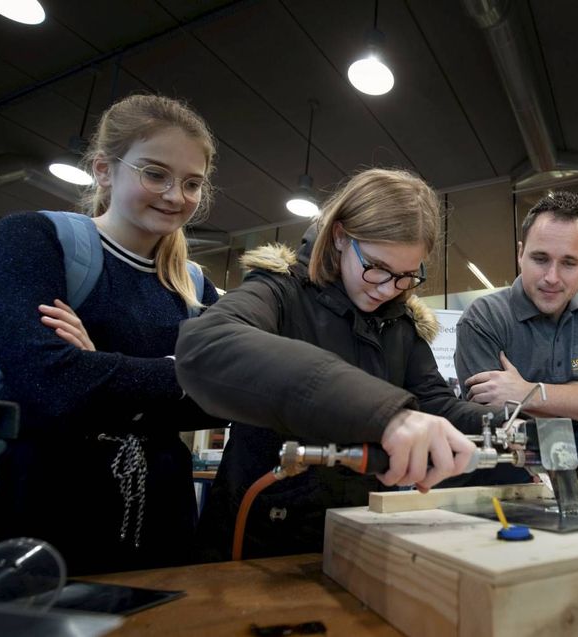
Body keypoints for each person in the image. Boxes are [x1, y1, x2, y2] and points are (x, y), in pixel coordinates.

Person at [175, 168, 496, 561]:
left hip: (356, 532)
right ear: (341, 236)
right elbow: (205, 345)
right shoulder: (279, 292)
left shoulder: (400, 325)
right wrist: (387, 415)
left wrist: (508, 427)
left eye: (406, 276)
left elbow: (438, 404)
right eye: (376, 266)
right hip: (258, 541)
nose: (386, 289)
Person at [0, 94, 223, 574]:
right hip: (39, 513)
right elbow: (50, 380)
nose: (175, 195)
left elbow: (231, 397)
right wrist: (182, 374)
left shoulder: (194, 285)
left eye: (192, 183)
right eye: (155, 174)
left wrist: (98, 367)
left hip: (161, 522)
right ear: (105, 169)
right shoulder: (32, 239)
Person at [454, 191, 578, 428]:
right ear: (520, 253)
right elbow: (495, 422)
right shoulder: (483, 318)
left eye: (569, 263)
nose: (552, 278)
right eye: (540, 259)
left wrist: (529, 393)